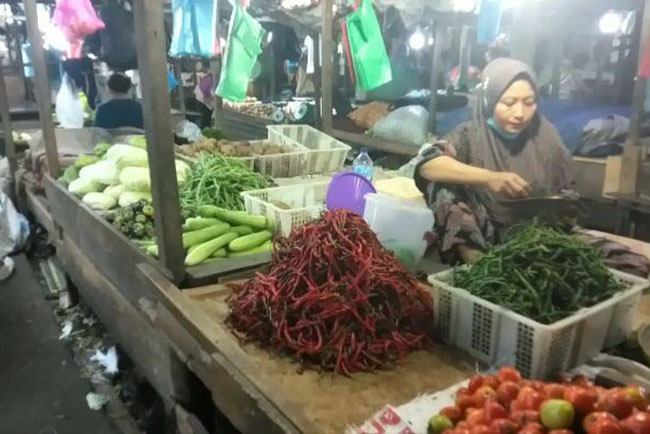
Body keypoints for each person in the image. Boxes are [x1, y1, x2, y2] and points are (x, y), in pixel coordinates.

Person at [415, 58, 572, 264]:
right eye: (508, 103)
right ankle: (475, 261)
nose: (520, 114)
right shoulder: (470, 134)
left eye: (529, 102)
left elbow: (567, 194)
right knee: (443, 186)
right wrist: (488, 178)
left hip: (537, 238)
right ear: (490, 100)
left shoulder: (546, 136)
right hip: (482, 233)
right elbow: (428, 165)